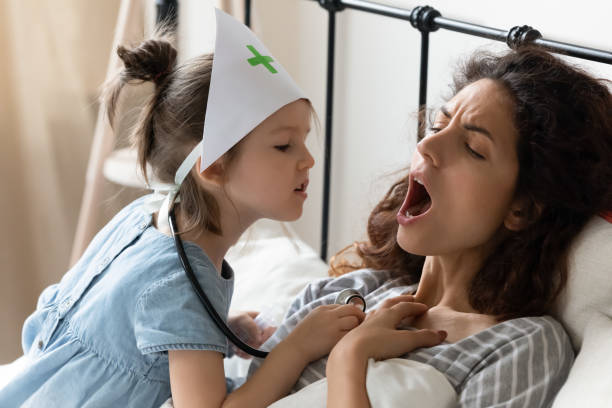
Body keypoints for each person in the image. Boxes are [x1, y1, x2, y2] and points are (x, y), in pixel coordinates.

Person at [0, 10, 367, 408]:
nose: (308, 161)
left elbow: (130, 330)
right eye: (284, 145)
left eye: (304, 140)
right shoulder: (182, 284)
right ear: (213, 167)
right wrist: (296, 348)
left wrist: (217, 333)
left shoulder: (145, 215)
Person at [248, 46, 612, 407]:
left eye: (472, 148)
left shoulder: (519, 345)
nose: (427, 144)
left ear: (523, 209)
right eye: (438, 125)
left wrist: (350, 358)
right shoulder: (338, 295)